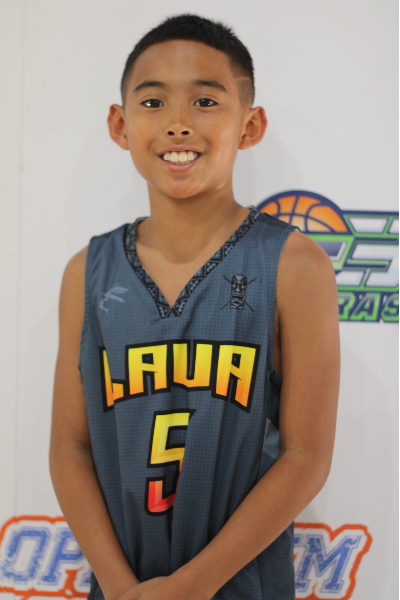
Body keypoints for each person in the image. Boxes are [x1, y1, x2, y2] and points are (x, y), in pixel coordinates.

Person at [49, 13, 340, 600]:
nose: (178, 123)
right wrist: (121, 588)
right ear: (120, 124)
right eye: (153, 102)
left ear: (249, 125)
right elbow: (69, 449)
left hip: (240, 587)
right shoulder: (87, 271)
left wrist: (189, 588)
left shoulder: (293, 264)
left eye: (205, 101)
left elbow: (306, 456)